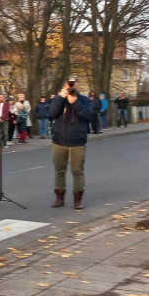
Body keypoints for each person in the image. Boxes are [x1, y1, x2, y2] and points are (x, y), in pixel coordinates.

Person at [50, 77, 93, 210]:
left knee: (77, 171)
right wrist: (60, 99)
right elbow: (51, 113)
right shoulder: (59, 99)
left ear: (78, 87)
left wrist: (75, 103)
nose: (71, 89)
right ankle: (59, 198)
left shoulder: (84, 100)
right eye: (69, 86)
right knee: (59, 170)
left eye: (74, 86)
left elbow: (88, 116)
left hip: (77, 141)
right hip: (59, 140)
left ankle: (77, 200)